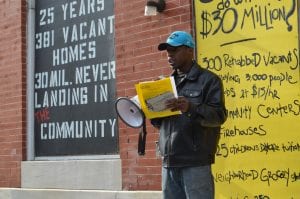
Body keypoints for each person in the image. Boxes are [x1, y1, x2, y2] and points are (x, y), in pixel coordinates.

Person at [151, 31, 227, 199]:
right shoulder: (166, 85)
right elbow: (159, 124)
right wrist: (151, 108)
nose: (169, 55)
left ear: (190, 51)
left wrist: (190, 107)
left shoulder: (209, 80)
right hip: (169, 162)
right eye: (167, 51)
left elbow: (218, 116)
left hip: (195, 162)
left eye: (174, 50)